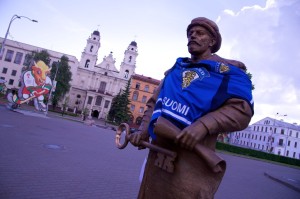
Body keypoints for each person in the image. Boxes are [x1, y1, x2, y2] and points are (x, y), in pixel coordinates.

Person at [129, 17, 254, 199]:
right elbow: (154, 102)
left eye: (200, 33)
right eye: (190, 33)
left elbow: (242, 110)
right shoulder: (175, 71)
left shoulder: (226, 74)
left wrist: (204, 125)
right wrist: (142, 131)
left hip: (191, 163)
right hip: (157, 157)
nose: (192, 36)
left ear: (212, 41)